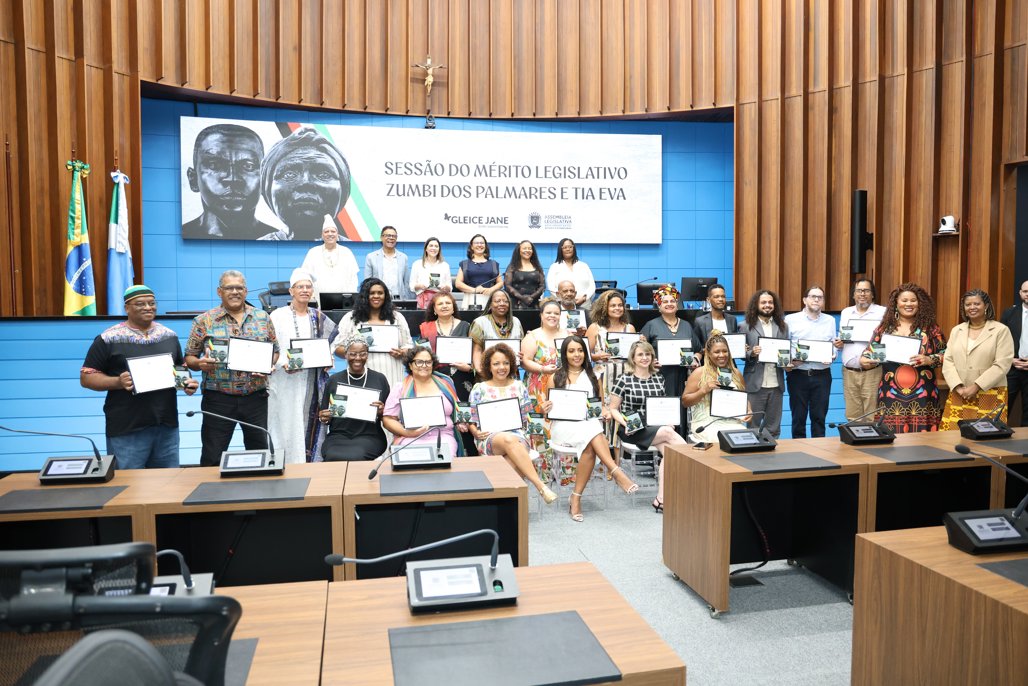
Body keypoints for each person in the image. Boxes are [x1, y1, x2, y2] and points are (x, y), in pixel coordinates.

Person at [80, 285, 199, 468]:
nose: (148, 307)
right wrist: (117, 382)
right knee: (129, 488)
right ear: (127, 307)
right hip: (127, 428)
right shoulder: (108, 338)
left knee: (169, 484)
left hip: (166, 425)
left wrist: (187, 384)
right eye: (140, 304)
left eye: (152, 303)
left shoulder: (169, 336)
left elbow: (180, 370)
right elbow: (87, 377)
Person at [184, 270, 279, 466]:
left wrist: (269, 364)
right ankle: (209, 495)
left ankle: (260, 494)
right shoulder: (204, 321)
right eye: (229, 288)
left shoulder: (263, 318)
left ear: (246, 291)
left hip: (255, 397)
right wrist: (199, 363)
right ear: (220, 292)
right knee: (212, 455)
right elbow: (189, 357)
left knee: (259, 452)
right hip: (218, 398)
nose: (235, 292)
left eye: (239, 288)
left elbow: (275, 350)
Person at [547, 336, 639, 521]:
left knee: (590, 438)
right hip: (563, 426)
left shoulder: (592, 376)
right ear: (564, 354)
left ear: (585, 353)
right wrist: (545, 408)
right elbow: (548, 413)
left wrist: (605, 411)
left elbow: (601, 405)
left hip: (587, 426)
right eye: (571, 351)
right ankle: (615, 470)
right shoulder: (555, 377)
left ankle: (576, 498)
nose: (576, 354)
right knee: (593, 430)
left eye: (580, 350)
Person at [467, 344, 556, 504]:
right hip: (489, 437)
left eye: (506, 363)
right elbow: (471, 420)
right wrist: (474, 432)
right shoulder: (479, 389)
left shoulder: (519, 386)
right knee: (508, 440)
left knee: (512, 456)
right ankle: (540, 485)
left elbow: (527, 417)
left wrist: (540, 411)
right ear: (489, 365)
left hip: (518, 436)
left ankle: (501, 505)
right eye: (496, 363)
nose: (502, 367)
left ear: (511, 365)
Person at [608, 340, 687, 513]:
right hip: (631, 427)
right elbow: (613, 409)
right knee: (668, 434)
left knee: (671, 454)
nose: (645, 358)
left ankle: (661, 499)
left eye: (648, 354)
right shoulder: (624, 378)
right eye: (640, 355)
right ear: (633, 358)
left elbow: (663, 405)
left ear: (652, 357)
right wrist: (626, 422)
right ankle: (695, 461)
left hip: (654, 425)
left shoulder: (659, 378)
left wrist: (669, 420)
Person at [267, 269, 337, 463]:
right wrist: (283, 363)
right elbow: (270, 347)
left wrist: (328, 359)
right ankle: (282, 463)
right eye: (300, 287)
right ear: (291, 291)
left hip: (311, 381)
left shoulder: (318, 316)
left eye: (308, 287)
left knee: (306, 420)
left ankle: (308, 465)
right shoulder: (277, 316)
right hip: (284, 380)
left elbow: (332, 343)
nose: (305, 290)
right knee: (284, 422)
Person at [859, 283, 947, 433]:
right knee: (890, 439)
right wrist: (866, 361)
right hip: (890, 394)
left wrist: (929, 359)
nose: (909, 304)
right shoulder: (884, 328)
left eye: (913, 300)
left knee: (923, 442)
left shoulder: (931, 328)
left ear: (920, 304)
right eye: (904, 300)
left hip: (923, 394)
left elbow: (948, 355)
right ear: (896, 303)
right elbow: (867, 355)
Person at [182, 124, 277, 239]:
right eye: (214, 165)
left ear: (264, 179)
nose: (232, 179)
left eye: (248, 166)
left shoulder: (279, 241)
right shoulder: (181, 234)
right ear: (193, 179)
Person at [259, 127, 351, 240]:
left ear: (343, 190)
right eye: (289, 174)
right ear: (267, 189)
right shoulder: (252, 253)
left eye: (324, 175)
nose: (306, 183)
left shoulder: (348, 252)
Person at [940, 289, 1013, 430]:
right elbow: (948, 361)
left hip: (990, 392)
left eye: (976, 303)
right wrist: (958, 387)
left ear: (986, 306)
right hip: (959, 393)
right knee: (953, 436)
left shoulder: (1001, 330)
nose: (972, 307)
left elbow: (1002, 364)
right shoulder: (957, 330)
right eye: (968, 304)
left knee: (986, 435)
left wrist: (976, 386)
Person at [382, 348, 466, 457]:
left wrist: (461, 422)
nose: (424, 365)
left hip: (443, 436)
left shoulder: (446, 383)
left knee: (442, 463)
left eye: (428, 362)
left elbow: (458, 408)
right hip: (410, 438)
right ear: (410, 365)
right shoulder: (400, 388)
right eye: (419, 362)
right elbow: (388, 419)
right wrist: (408, 433)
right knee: (412, 465)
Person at [318, 335, 391, 461]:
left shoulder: (379, 379)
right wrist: (324, 416)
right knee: (331, 455)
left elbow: (390, 416)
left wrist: (382, 412)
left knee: (357, 456)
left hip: (370, 436)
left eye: (362, 354)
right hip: (338, 436)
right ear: (345, 355)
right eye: (353, 354)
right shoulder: (334, 380)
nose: (357, 358)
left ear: (367, 355)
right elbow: (325, 417)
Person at [330, 277, 413, 387]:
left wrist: (402, 353)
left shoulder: (397, 317)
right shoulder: (351, 318)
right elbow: (336, 347)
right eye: (372, 293)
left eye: (380, 293)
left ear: (386, 296)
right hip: (360, 377)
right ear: (364, 296)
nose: (376, 296)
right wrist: (355, 353)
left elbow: (409, 347)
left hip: (392, 376)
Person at [640, 284, 695, 436]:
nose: (669, 304)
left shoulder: (687, 326)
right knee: (663, 415)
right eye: (665, 301)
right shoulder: (651, 326)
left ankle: (681, 449)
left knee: (681, 413)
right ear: (659, 306)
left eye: (673, 301)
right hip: (659, 378)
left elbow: (698, 350)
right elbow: (640, 351)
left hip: (683, 378)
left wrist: (696, 358)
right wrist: (650, 362)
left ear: (677, 305)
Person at [586, 289, 637, 449]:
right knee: (603, 415)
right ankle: (601, 457)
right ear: (605, 308)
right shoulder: (595, 328)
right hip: (602, 378)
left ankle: (618, 458)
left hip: (625, 377)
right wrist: (596, 356)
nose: (617, 308)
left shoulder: (630, 328)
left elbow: (635, 356)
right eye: (613, 305)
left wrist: (640, 343)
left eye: (620, 305)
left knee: (620, 413)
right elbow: (584, 354)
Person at [784, 285, 836, 438]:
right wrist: (792, 361)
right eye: (813, 296)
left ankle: (820, 453)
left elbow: (833, 345)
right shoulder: (790, 319)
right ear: (804, 300)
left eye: (820, 297)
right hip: (798, 375)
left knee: (819, 417)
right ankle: (799, 455)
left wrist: (832, 355)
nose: (816, 299)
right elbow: (784, 346)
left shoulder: (830, 321)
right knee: (798, 417)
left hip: (822, 375)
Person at [681, 334, 749, 443]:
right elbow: (685, 401)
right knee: (723, 440)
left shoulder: (736, 373)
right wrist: (703, 390)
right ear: (708, 354)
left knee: (748, 439)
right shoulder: (699, 373)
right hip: (706, 423)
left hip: (732, 422)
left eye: (725, 351)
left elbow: (744, 399)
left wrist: (748, 410)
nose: (722, 355)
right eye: (717, 352)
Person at [739, 289, 788, 438]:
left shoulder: (783, 326)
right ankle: (751, 457)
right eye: (763, 302)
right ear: (756, 305)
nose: (767, 305)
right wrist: (751, 353)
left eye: (770, 302)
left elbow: (785, 352)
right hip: (755, 383)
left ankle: (772, 457)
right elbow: (740, 353)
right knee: (752, 425)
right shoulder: (745, 325)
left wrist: (788, 362)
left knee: (773, 427)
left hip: (776, 383)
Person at [835, 279, 887, 421]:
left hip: (872, 372)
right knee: (852, 416)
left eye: (866, 290)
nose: (862, 294)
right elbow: (844, 338)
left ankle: (871, 443)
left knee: (872, 415)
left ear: (872, 294)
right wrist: (839, 343)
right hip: (849, 372)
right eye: (859, 290)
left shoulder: (883, 312)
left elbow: (887, 339)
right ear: (853, 294)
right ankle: (855, 443)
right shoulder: (846, 312)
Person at [419, 291, 474, 399]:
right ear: (434, 309)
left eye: (448, 303)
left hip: (462, 376)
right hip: (435, 376)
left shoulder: (466, 326)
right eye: (440, 304)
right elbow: (421, 353)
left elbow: (476, 353)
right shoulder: (426, 328)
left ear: (453, 307)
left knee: (462, 411)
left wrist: (469, 368)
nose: (444, 306)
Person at [469, 290, 525, 375]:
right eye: (497, 301)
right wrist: (480, 371)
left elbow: (522, 348)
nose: (502, 303)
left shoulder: (516, 321)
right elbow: (477, 350)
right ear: (490, 304)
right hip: (487, 374)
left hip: (511, 373)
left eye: (505, 301)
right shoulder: (480, 322)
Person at [299, 222, 359, 301]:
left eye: (333, 231)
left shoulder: (347, 252)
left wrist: (350, 297)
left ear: (337, 235)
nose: (330, 234)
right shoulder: (313, 252)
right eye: (326, 232)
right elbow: (306, 277)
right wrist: (312, 297)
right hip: (318, 299)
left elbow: (353, 278)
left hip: (343, 301)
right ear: (322, 235)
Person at [1000, 279, 1028, 426]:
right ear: (1020, 293)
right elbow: (999, 342)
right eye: (1025, 291)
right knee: (1001, 409)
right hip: (1012, 368)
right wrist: (1010, 359)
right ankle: (994, 441)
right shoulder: (1009, 313)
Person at [364, 226, 415, 300]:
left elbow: (406, 283)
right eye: (388, 235)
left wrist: (406, 300)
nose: (391, 238)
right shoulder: (371, 257)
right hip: (378, 298)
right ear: (381, 237)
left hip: (398, 299)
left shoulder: (403, 257)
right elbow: (367, 283)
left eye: (394, 236)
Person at [455, 233, 503, 308]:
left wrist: (491, 289)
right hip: (470, 298)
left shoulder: (493, 264)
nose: (479, 245)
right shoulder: (465, 264)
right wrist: (474, 290)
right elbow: (458, 283)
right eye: (476, 243)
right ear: (471, 247)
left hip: (490, 298)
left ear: (485, 246)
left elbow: (500, 282)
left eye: (482, 243)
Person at [545, 238, 594, 304]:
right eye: (565, 247)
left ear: (574, 248)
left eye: (570, 247)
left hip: (584, 303)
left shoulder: (584, 266)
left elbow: (592, 285)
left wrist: (584, 298)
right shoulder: (554, 267)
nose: (568, 249)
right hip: (562, 304)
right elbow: (551, 287)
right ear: (560, 249)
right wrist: (563, 299)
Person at [691, 283, 738, 350]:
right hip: (708, 360)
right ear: (708, 300)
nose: (721, 299)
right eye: (716, 297)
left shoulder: (732, 319)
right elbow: (697, 348)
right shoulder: (700, 322)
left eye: (723, 296)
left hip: (729, 359)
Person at [409, 237, 452, 309]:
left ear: (439, 249)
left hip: (440, 300)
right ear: (426, 248)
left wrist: (445, 287)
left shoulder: (445, 265)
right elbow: (411, 285)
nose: (434, 248)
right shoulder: (417, 264)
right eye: (431, 245)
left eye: (436, 246)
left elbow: (450, 286)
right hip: (422, 300)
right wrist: (420, 286)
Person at [504, 240, 546, 309]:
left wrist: (531, 297)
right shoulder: (512, 266)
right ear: (519, 250)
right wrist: (522, 298)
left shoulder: (537, 266)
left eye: (529, 248)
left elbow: (542, 286)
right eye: (524, 248)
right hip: (515, 304)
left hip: (534, 303)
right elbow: (507, 285)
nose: (527, 250)